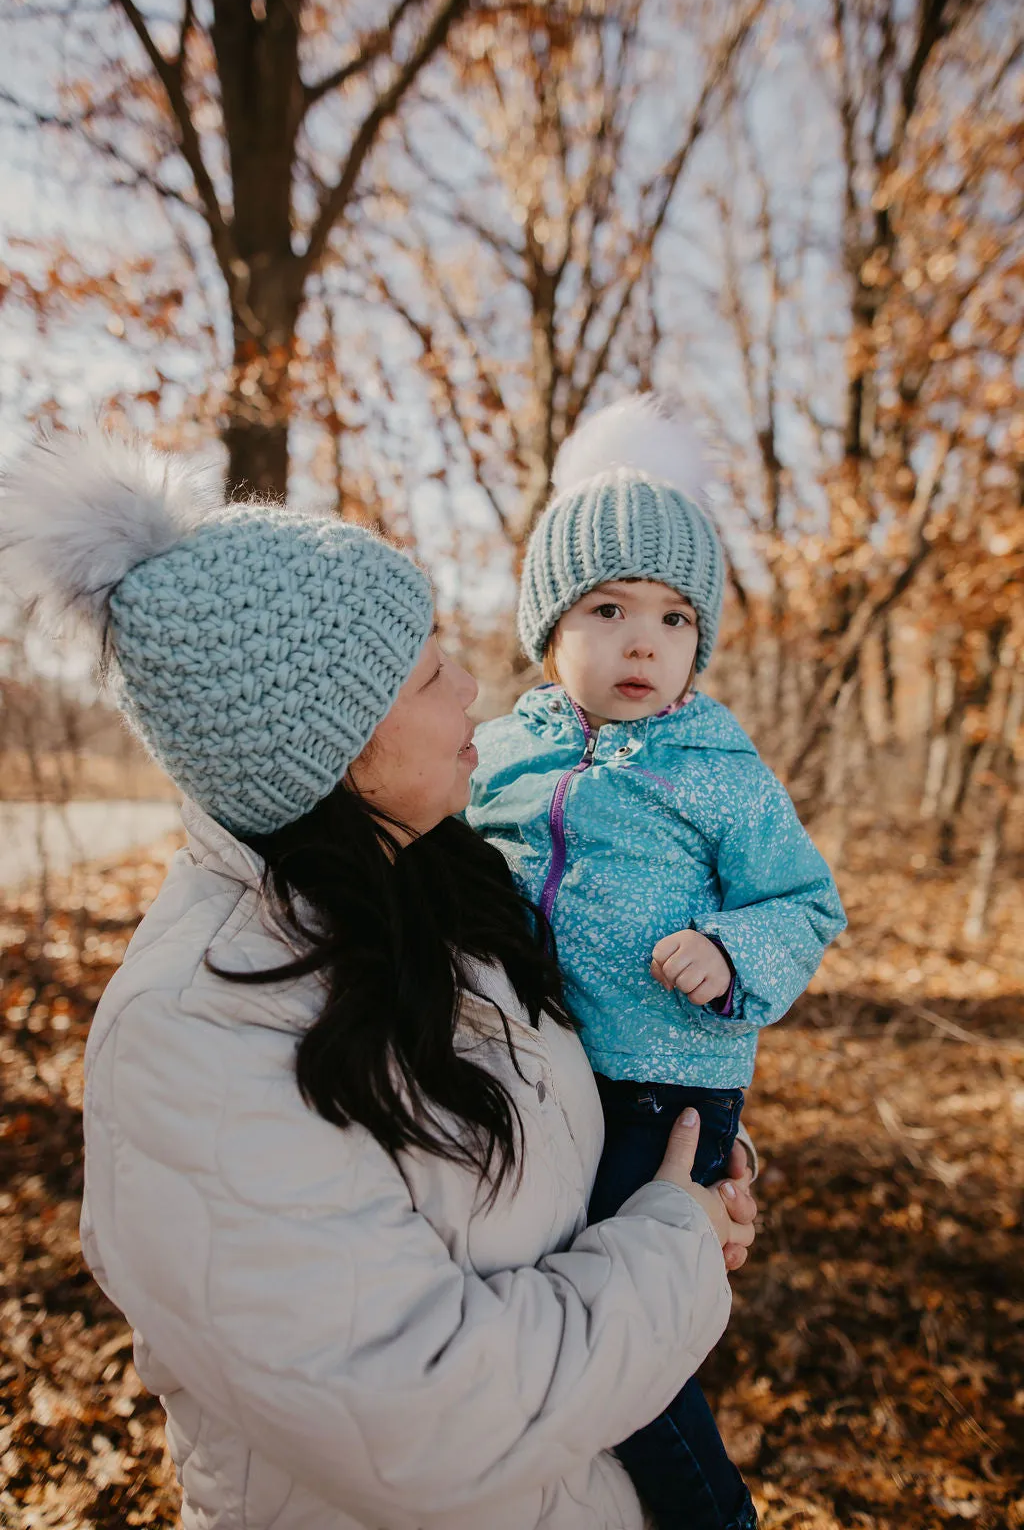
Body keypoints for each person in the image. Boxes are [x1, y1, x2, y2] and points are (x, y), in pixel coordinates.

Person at [0, 429, 759, 1530]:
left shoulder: (444, 892)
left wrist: (684, 1159)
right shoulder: (196, 1035)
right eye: (426, 671)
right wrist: (673, 1250)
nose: (470, 689)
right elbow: (426, 1419)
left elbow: (545, 1152)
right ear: (332, 751)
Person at [467, 395, 847, 1530]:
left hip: (667, 1082)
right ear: (549, 628)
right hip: (544, 1068)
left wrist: (730, 951)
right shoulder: (497, 754)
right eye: (610, 607)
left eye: (677, 618)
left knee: (617, 1340)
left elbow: (805, 900)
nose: (645, 640)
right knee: (545, 1301)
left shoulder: (716, 765)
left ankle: (708, 1515)